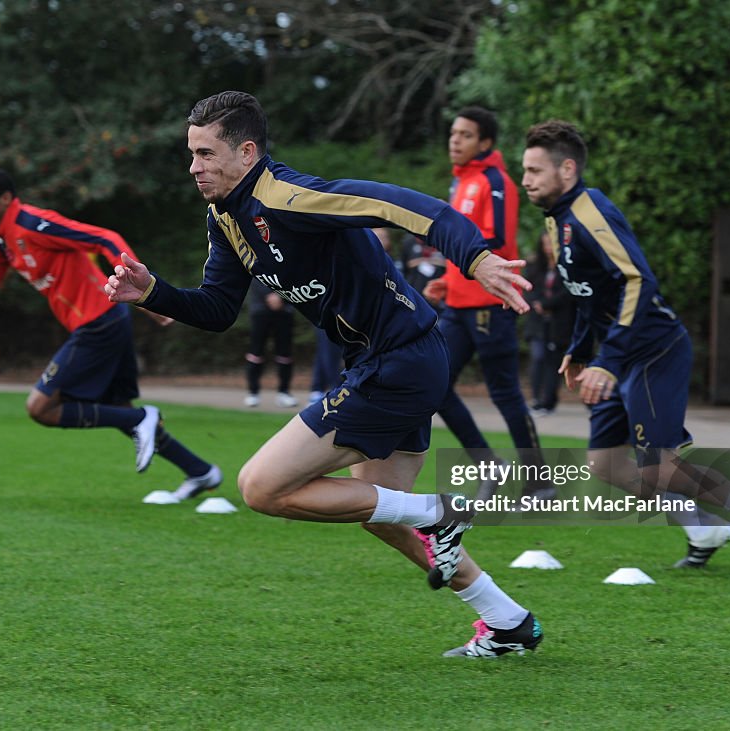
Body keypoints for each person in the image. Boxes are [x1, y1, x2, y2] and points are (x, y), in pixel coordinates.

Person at [106, 91, 543, 658]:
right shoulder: (223, 215)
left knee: (260, 487)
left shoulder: (290, 195)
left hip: (400, 361)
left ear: (245, 152)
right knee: (379, 511)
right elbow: (217, 308)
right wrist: (154, 294)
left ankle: (441, 512)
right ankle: (507, 621)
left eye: (206, 153)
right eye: (191, 154)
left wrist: (476, 258)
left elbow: (408, 207)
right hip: (390, 361)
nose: (194, 167)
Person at [521, 119, 730, 580]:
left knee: (658, 469)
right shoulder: (558, 221)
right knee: (609, 464)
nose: (526, 180)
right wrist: (579, 351)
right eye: (525, 170)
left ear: (568, 169)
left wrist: (609, 361)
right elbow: (586, 294)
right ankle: (704, 529)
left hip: (653, 349)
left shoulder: (591, 209)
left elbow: (638, 278)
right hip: (615, 355)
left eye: (535, 170)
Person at [0, 169, 221, 502]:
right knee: (117, 409)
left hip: (99, 322)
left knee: (41, 407)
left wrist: (144, 286)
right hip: (104, 320)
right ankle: (200, 471)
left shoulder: (32, 223)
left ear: (4, 200)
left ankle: (143, 418)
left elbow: (104, 237)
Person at [422, 106, 550, 498]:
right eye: (453, 133)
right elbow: (463, 246)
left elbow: (489, 245)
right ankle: (488, 465)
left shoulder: (496, 181)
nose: (454, 140)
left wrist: (459, 270)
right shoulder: (459, 183)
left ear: (485, 143)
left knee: (504, 392)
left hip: (489, 306)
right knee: (433, 382)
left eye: (465, 135)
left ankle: (539, 480)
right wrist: (446, 281)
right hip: (456, 306)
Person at [524, 230, 576, 415]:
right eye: (545, 244)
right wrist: (536, 304)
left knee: (553, 362)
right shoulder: (535, 266)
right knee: (537, 357)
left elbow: (568, 292)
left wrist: (548, 304)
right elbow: (528, 288)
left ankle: (548, 401)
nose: (548, 248)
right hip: (538, 322)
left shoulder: (567, 267)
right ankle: (536, 398)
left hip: (559, 322)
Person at [244, 278, 298, 407]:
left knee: (285, 353)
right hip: (260, 309)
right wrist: (269, 295)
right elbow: (254, 275)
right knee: (256, 352)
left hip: (285, 309)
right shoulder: (255, 258)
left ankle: (284, 392)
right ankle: (253, 392)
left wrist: (281, 297)